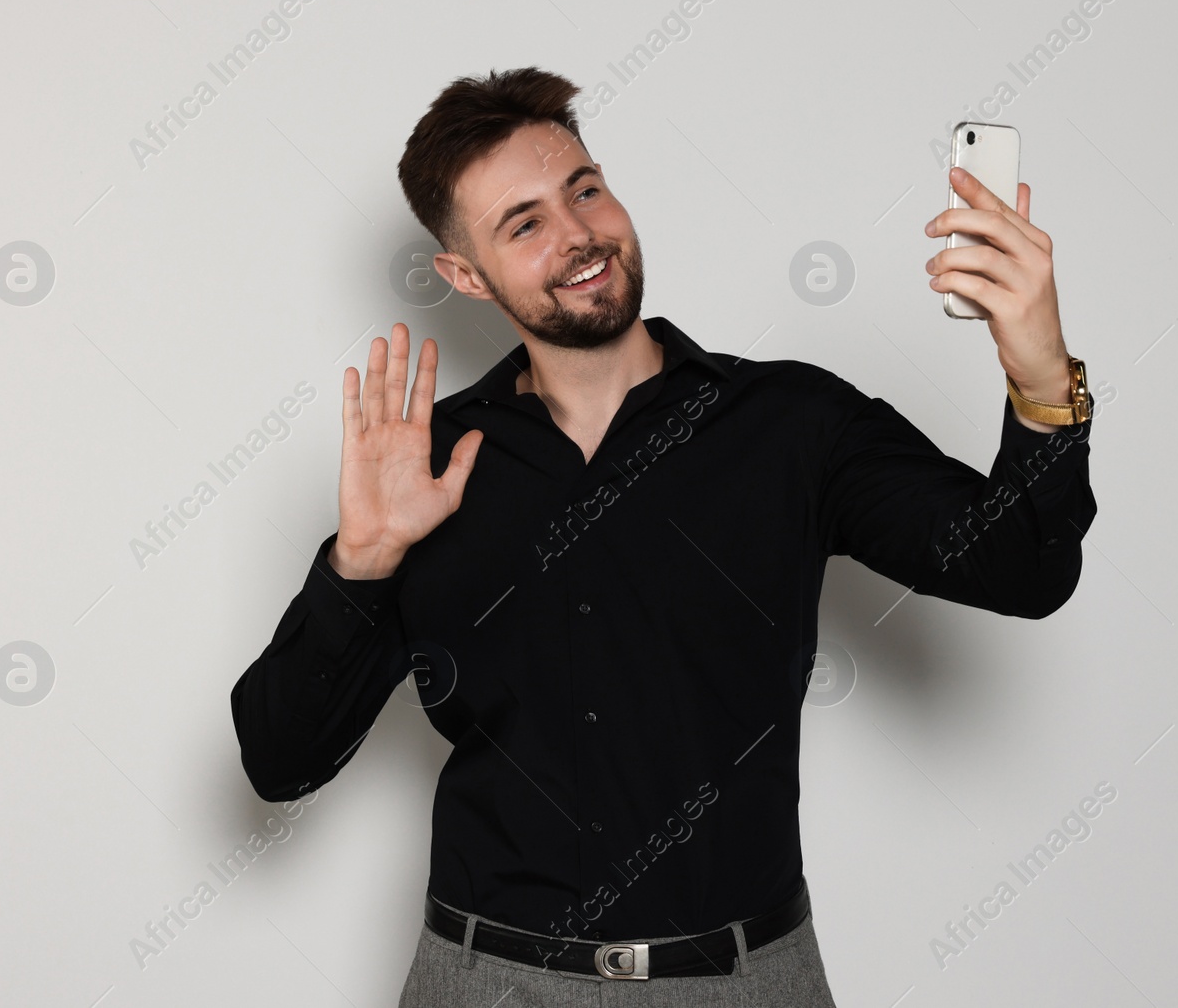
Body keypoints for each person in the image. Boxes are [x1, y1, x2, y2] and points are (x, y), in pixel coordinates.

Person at [230, 67, 1097, 1006]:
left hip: (743, 979)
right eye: (524, 224)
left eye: (585, 190)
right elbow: (280, 763)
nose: (579, 236)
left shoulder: (791, 423)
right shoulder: (425, 468)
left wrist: (1043, 374)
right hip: (487, 981)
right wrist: (362, 561)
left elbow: (1024, 567)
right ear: (465, 276)